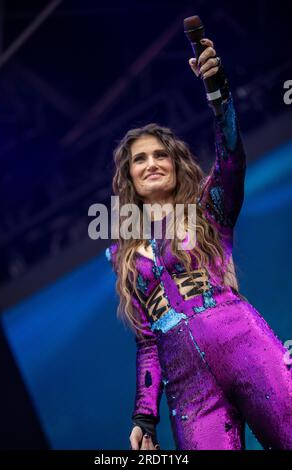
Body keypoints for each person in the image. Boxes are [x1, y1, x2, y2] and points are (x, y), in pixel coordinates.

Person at [105, 37, 292, 450]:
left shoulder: (207, 209)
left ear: (175, 164)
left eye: (160, 155)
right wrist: (144, 417)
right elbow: (148, 342)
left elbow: (230, 155)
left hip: (244, 344)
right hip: (187, 388)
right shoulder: (122, 255)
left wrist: (218, 94)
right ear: (129, 177)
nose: (151, 163)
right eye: (140, 158)